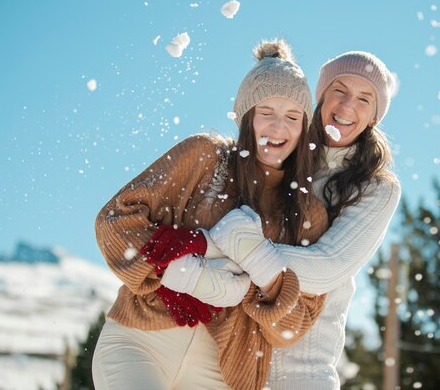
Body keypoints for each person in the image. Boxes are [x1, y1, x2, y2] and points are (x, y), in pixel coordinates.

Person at [92, 39, 329, 390]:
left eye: (292, 117)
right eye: (266, 112)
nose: (278, 128)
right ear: (246, 116)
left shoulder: (306, 211)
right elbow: (114, 220)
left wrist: (257, 281)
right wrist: (172, 267)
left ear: (304, 127)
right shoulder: (204, 157)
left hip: (223, 370)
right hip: (140, 340)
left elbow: (294, 325)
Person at [201, 50, 401, 389]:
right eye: (339, 90)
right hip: (233, 360)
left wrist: (231, 252)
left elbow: (328, 268)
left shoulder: (375, 187)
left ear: (374, 116)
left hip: (304, 370)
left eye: (364, 98)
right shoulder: (283, 156)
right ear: (319, 98)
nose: (348, 104)